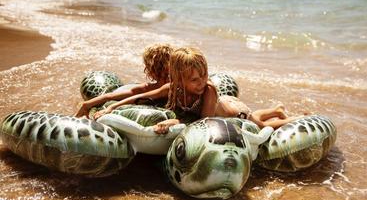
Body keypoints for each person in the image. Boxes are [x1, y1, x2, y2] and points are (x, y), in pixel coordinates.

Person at [93, 47, 303, 133]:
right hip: (226, 107)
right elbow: (139, 96)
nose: (201, 81)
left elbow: (204, 123)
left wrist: (175, 121)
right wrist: (111, 109)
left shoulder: (209, 90)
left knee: (263, 126)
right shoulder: (171, 88)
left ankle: (298, 118)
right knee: (262, 118)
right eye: (194, 79)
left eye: (204, 75)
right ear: (178, 79)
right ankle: (276, 108)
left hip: (234, 112)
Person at [75, 43, 173, 117]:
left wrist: (87, 105)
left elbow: (109, 96)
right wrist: (87, 104)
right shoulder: (181, 86)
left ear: (149, 70)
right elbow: (111, 97)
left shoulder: (147, 89)